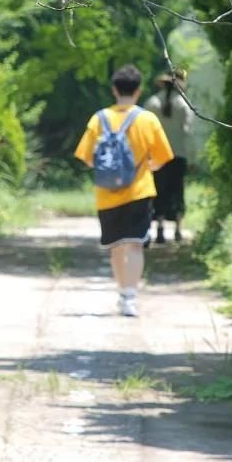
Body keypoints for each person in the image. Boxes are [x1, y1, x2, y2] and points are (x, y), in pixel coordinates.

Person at [74, 64, 174, 317]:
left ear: (114, 90)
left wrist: (109, 170)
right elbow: (163, 156)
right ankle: (130, 297)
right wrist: (145, 167)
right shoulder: (147, 119)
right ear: (138, 90)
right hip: (139, 190)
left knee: (116, 246)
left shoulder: (99, 118)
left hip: (106, 195)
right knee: (135, 245)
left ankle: (122, 293)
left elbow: (86, 157)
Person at [144, 69, 194, 244]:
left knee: (158, 191)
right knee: (177, 190)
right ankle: (178, 229)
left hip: (156, 157)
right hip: (178, 154)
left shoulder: (151, 103)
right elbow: (188, 131)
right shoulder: (183, 105)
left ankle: (159, 228)